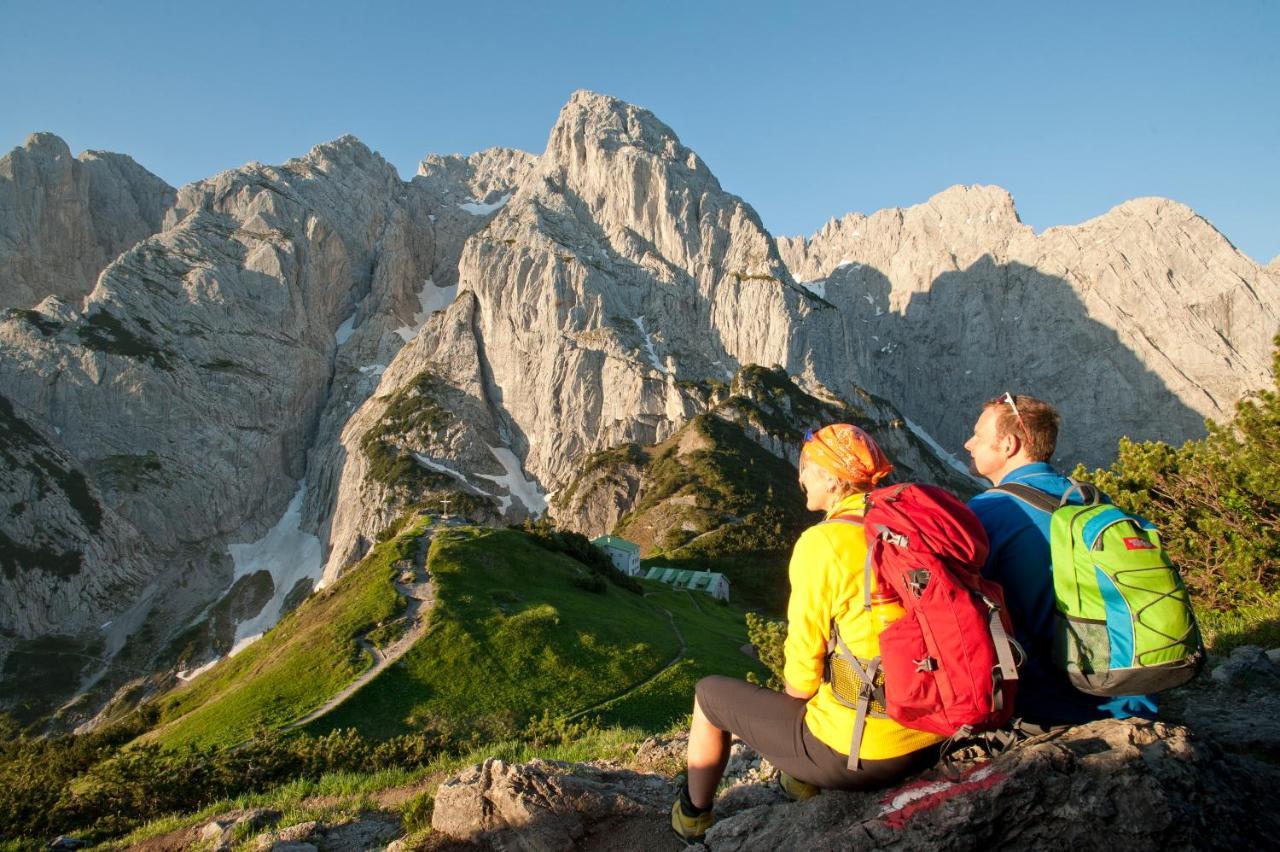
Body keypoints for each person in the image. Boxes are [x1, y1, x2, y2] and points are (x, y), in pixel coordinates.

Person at [671, 424, 942, 842]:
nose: (799, 479)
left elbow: (801, 676)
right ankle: (798, 780)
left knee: (709, 695)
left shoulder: (825, 543)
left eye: (806, 469)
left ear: (833, 479)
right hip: (937, 728)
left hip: (872, 752)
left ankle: (691, 817)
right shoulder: (906, 524)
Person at [963, 393, 1157, 727]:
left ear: (1008, 445)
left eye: (978, 436)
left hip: (1058, 707)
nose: (969, 444)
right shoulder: (1092, 499)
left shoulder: (986, 513)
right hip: (1138, 688)